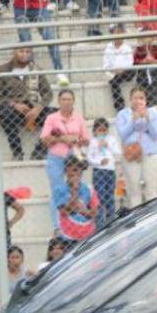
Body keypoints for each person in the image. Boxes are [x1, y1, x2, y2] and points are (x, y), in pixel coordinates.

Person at [0, 47, 55, 160]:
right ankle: (17, 152)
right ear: (14, 52)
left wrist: (38, 108)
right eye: (21, 51)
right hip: (13, 111)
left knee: (57, 116)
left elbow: (48, 94)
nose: (24, 54)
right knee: (4, 112)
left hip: (34, 110)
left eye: (27, 52)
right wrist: (14, 105)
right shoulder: (2, 70)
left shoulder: (36, 69)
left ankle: (39, 151)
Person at [40, 89, 89, 231]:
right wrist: (62, 138)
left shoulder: (78, 118)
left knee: (76, 189)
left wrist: (76, 139)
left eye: (69, 99)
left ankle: (76, 222)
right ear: (59, 101)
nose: (66, 102)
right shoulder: (51, 118)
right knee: (58, 190)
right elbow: (45, 139)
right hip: (56, 157)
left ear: (73, 101)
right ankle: (58, 225)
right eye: (63, 99)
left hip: (74, 157)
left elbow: (86, 140)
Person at [115, 86, 157, 209]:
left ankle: (154, 217)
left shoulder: (153, 113)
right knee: (134, 190)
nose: (138, 100)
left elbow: (156, 134)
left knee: (151, 190)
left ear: (146, 100)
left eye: (141, 97)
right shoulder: (123, 114)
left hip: (151, 154)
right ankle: (136, 219)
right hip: (131, 155)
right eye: (135, 98)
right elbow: (123, 134)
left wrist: (147, 118)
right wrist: (133, 120)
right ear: (130, 99)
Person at [53, 157, 98, 241]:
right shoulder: (59, 189)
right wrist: (74, 190)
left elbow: (94, 213)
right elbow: (64, 212)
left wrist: (82, 211)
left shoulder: (89, 188)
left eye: (77, 169)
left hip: (87, 233)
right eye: (71, 169)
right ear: (66, 171)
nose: (75, 173)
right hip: (68, 235)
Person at [86, 118, 120, 226]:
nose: (101, 132)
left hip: (110, 171)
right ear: (95, 131)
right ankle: (100, 222)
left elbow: (118, 151)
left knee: (109, 196)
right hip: (99, 171)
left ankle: (111, 220)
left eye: (104, 130)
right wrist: (99, 161)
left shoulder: (111, 139)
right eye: (99, 130)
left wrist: (108, 145)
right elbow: (89, 158)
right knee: (99, 197)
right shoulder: (92, 141)